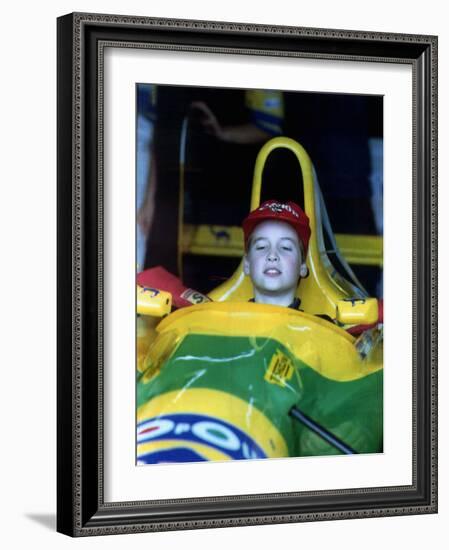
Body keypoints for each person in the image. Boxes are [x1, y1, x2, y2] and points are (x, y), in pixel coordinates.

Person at [242, 200, 310, 308]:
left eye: (285, 247)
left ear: (302, 266)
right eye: (261, 247)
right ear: (246, 264)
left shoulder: (324, 324)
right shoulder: (222, 324)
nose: (272, 256)